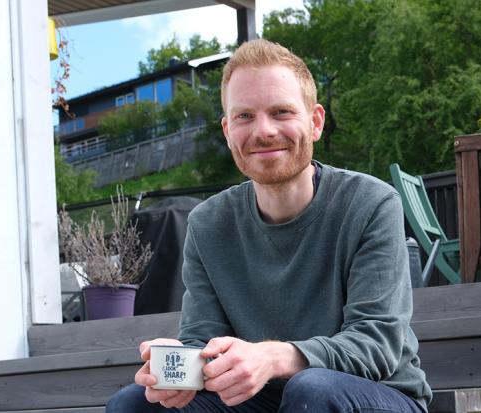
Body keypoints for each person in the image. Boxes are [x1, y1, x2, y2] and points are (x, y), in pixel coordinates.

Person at [105, 39, 431, 412]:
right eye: (245, 116)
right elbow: (202, 339)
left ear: (315, 122)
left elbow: (377, 345)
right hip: (259, 400)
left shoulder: (372, 203)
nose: (264, 131)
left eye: (281, 112)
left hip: (376, 393)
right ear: (228, 131)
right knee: (135, 404)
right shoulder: (208, 223)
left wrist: (274, 358)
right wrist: (181, 370)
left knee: (312, 390)